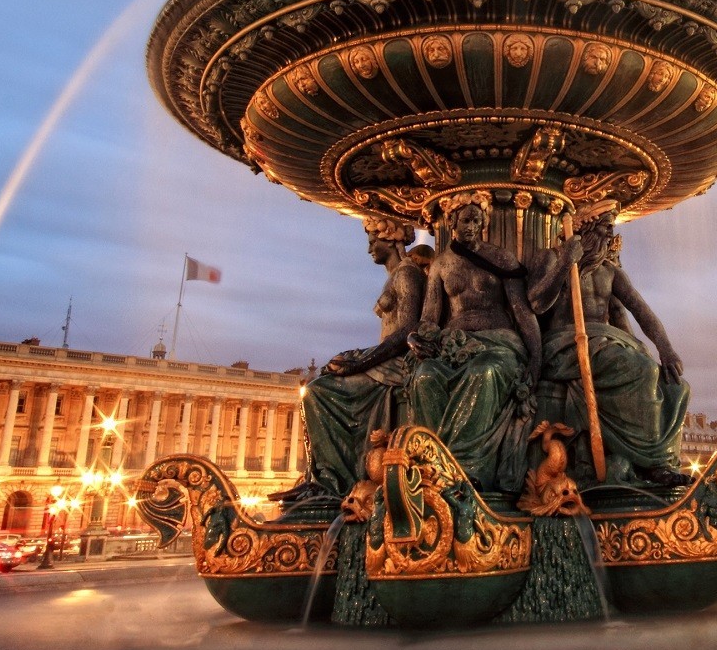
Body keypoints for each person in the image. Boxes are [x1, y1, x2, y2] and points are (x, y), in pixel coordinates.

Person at [527, 201, 692, 487]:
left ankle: (658, 458)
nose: (608, 237)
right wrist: (566, 264)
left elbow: (642, 312)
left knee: (676, 386)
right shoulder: (551, 259)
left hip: (602, 342)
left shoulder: (610, 272)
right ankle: (651, 464)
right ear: (585, 232)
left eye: (609, 231)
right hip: (563, 344)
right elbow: (536, 303)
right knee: (641, 370)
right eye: (603, 230)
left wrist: (666, 350)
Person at [279, 217, 431, 501]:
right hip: (383, 361)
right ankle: (318, 476)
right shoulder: (394, 276)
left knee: (317, 392)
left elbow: (408, 330)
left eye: (374, 242)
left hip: (398, 364)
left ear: (393, 239)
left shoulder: (408, 274)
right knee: (321, 381)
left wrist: (360, 361)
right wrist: (357, 358)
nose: (370, 249)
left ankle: (330, 480)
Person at [407, 192, 540, 491]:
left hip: (500, 342)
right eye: (464, 220)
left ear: (483, 224)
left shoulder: (501, 259)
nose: (470, 226)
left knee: (485, 371)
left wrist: (535, 359)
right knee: (425, 377)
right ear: (452, 221)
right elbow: (429, 317)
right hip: (454, 345)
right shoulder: (440, 265)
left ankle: (467, 469)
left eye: (476, 221)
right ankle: (431, 464)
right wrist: (414, 336)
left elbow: (522, 312)